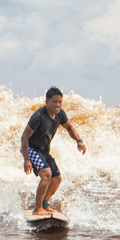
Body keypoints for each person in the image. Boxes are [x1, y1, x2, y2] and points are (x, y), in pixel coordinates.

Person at [20, 87, 87, 216]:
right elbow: (24, 137)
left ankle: (44, 204)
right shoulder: (38, 116)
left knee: (56, 178)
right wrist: (26, 159)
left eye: (60, 102)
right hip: (31, 149)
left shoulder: (60, 114)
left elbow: (69, 127)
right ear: (47, 102)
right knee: (46, 174)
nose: (58, 105)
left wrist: (79, 140)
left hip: (44, 151)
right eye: (55, 102)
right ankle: (37, 208)